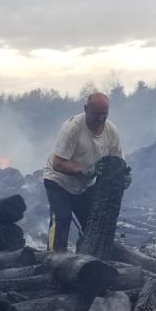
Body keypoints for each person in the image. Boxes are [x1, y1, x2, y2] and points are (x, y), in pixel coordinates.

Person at [41, 91, 124, 252]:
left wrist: (125, 177)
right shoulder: (72, 128)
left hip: (84, 186)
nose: (100, 118)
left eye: (104, 114)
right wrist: (84, 171)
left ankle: (85, 260)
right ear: (86, 109)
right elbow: (57, 163)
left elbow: (117, 162)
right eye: (96, 114)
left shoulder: (111, 131)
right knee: (62, 218)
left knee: (91, 224)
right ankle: (54, 259)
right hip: (58, 181)